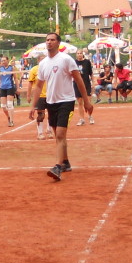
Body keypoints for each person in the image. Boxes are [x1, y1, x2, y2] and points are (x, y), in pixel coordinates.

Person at [27, 33, 94, 181]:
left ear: (58, 43)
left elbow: (79, 80)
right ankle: (66, 162)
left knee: (59, 134)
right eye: (47, 40)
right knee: (59, 135)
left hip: (66, 101)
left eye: (52, 40)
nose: (49, 42)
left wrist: (86, 101)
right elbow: (39, 86)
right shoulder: (43, 64)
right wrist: (33, 106)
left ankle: (57, 167)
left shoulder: (66, 59)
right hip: (51, 102)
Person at [27, 62, 52, 140]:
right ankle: (40, 133)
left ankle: (49, 130)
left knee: (52, 114)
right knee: (41, 115)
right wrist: (28, 95)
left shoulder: (50, 68)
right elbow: (30, 83)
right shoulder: (34, 70)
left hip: (50, 95)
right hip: (40, 96)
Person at [0, 56, 19, 126]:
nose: (3, 62)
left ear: (8, 61)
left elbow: (15, 78)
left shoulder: (11, 68)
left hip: (10, 87)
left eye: (4, 60)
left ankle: (11, 121)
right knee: (3, 106)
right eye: (2, 61)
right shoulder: (0, 69)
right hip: (2, 88)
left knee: (9, 104)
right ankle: (8, 116)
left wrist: (17, 88)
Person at [73, 50, 94, 125]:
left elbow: (91, 73)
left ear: (83, 54)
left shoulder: (87, 62)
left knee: (88, 101)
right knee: (79, 102)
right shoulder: (73, 62)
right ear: (76, 54)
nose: (79, 55)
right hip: (77, 84)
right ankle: (81, 119)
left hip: (86, 84)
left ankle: (90, 116)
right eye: (78, 53)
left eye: (80, 53)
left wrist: (93, 83)